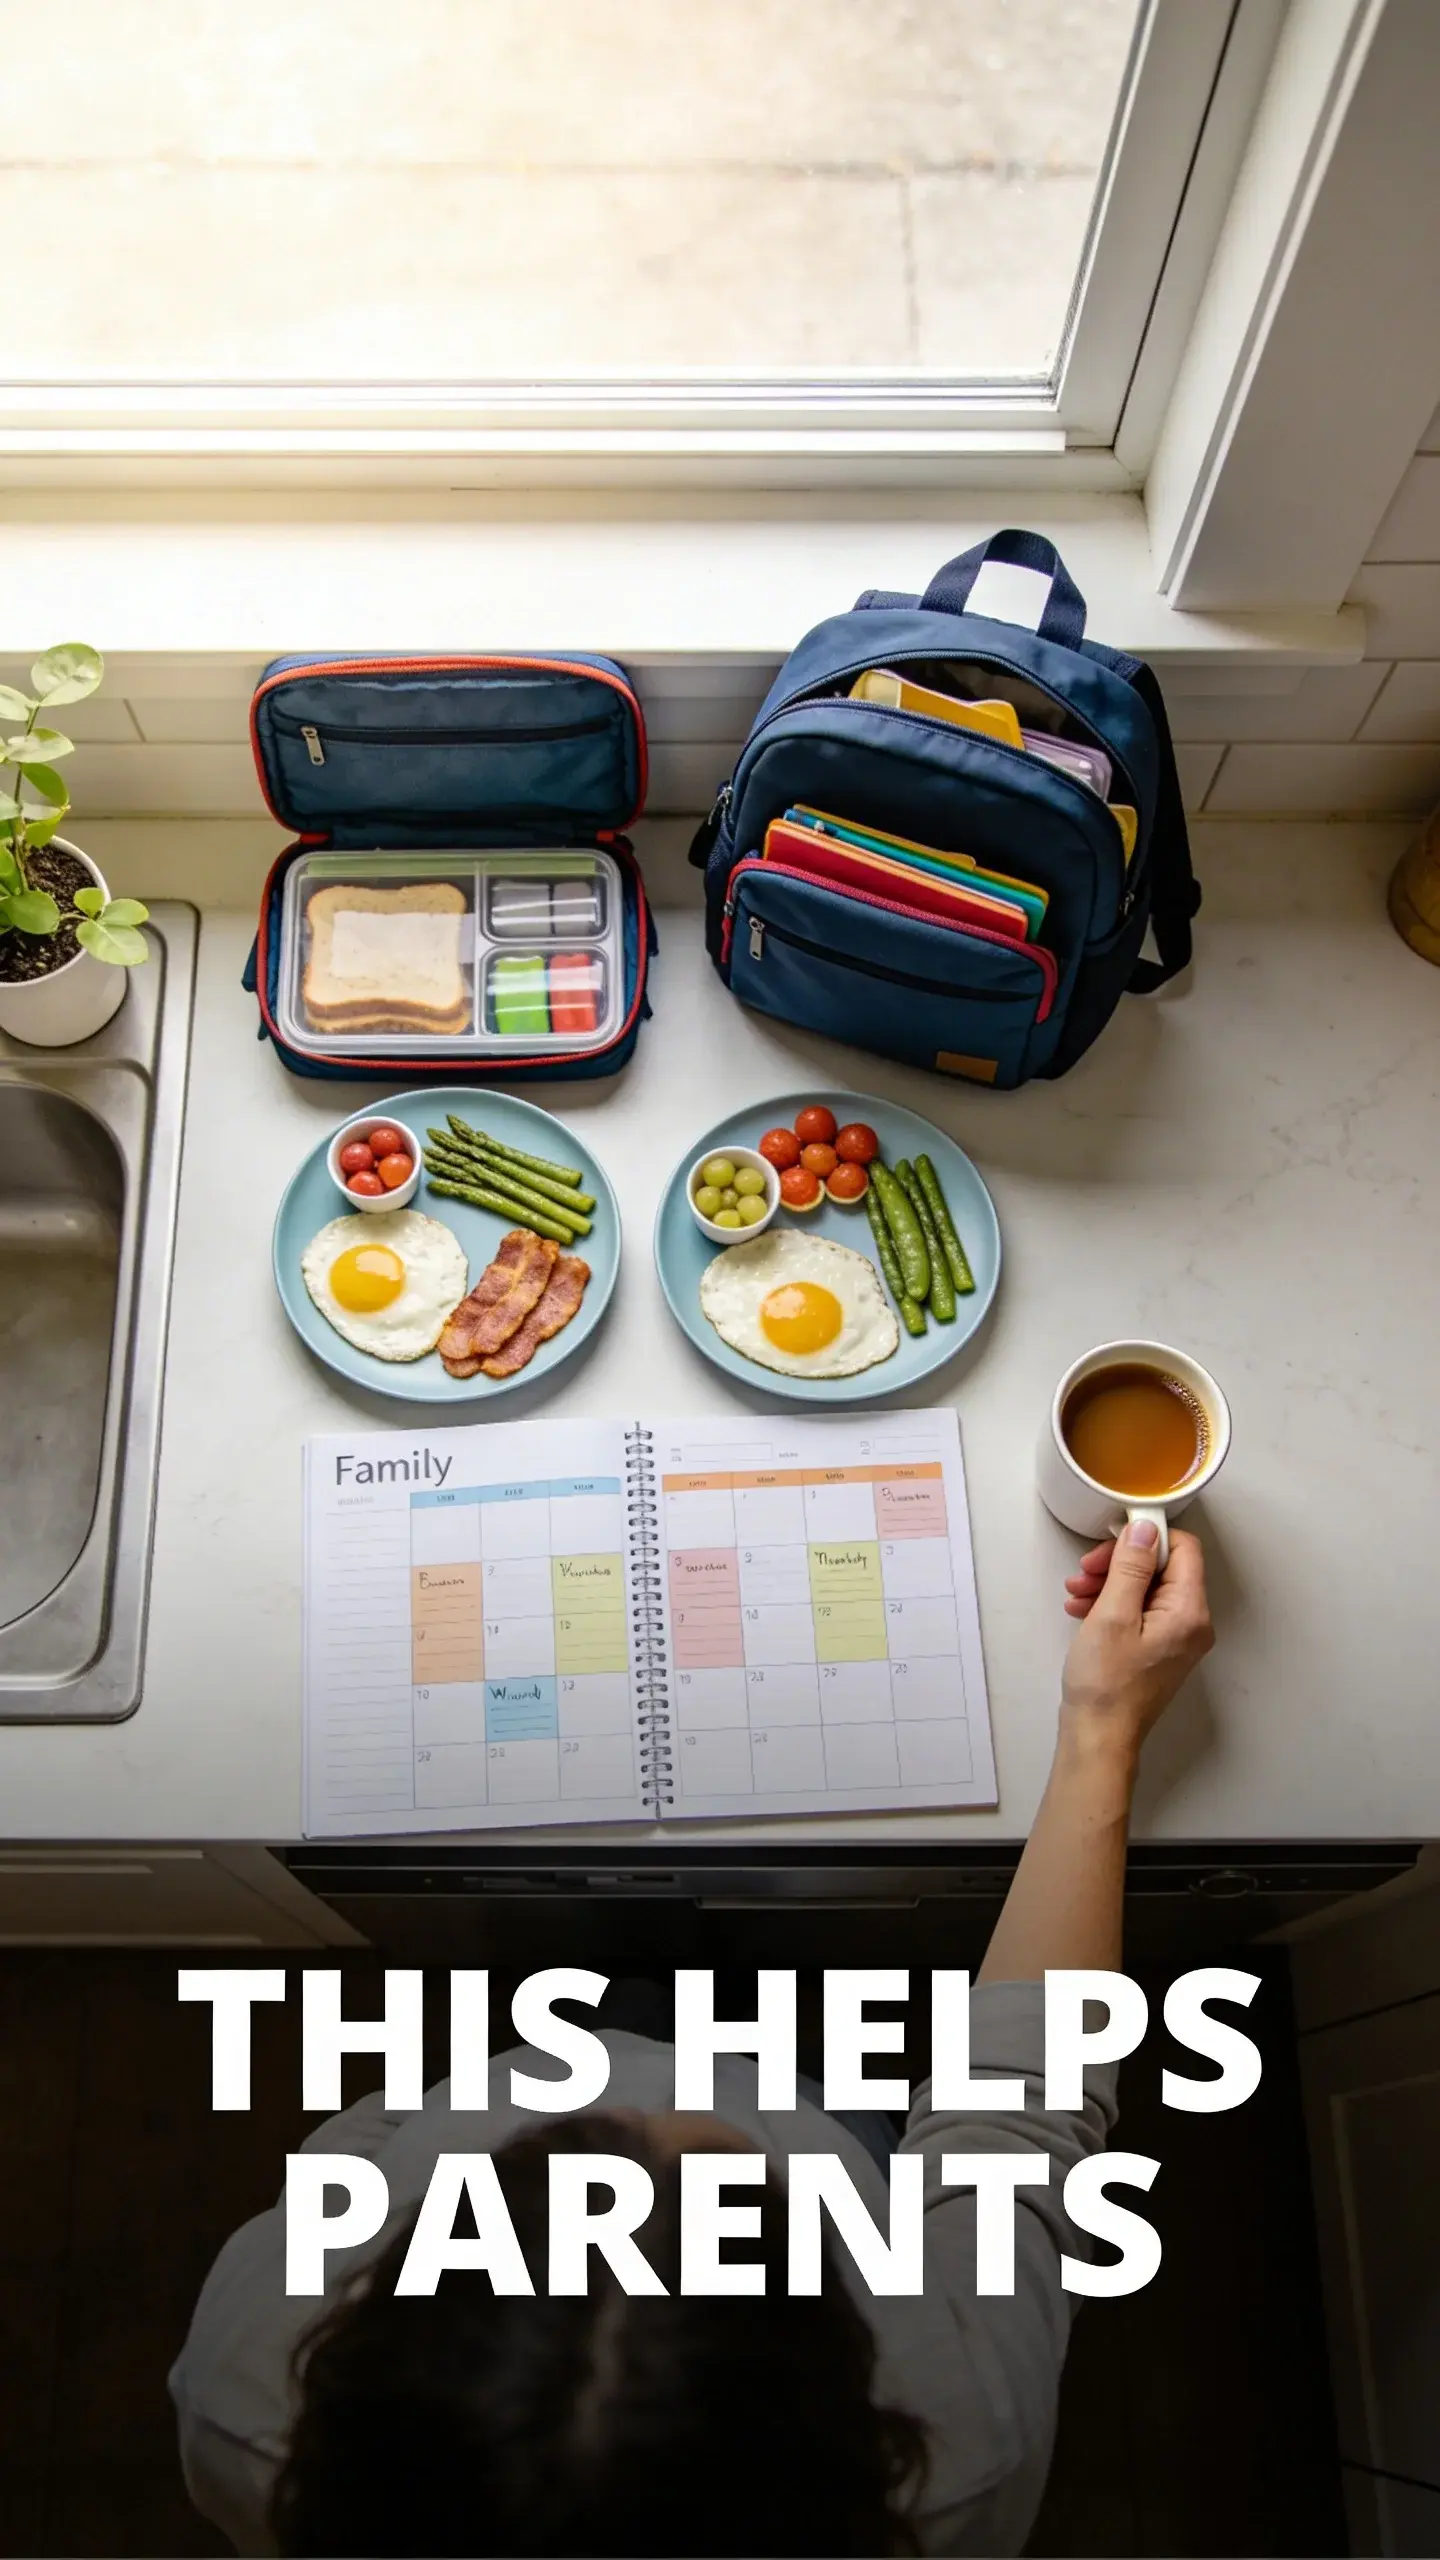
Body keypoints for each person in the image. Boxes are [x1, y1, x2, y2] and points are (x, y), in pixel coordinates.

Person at [170, 1521, 1212, 2557]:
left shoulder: (240, 2401)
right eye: (742, 2178)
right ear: (845, 2358)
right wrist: (1105, 1724)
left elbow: (341, 2162)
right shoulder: (969, 2451)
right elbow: (1021, 2112)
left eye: (558, 2148)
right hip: (832, 2109)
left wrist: (447, 2093)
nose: (673, 2102)